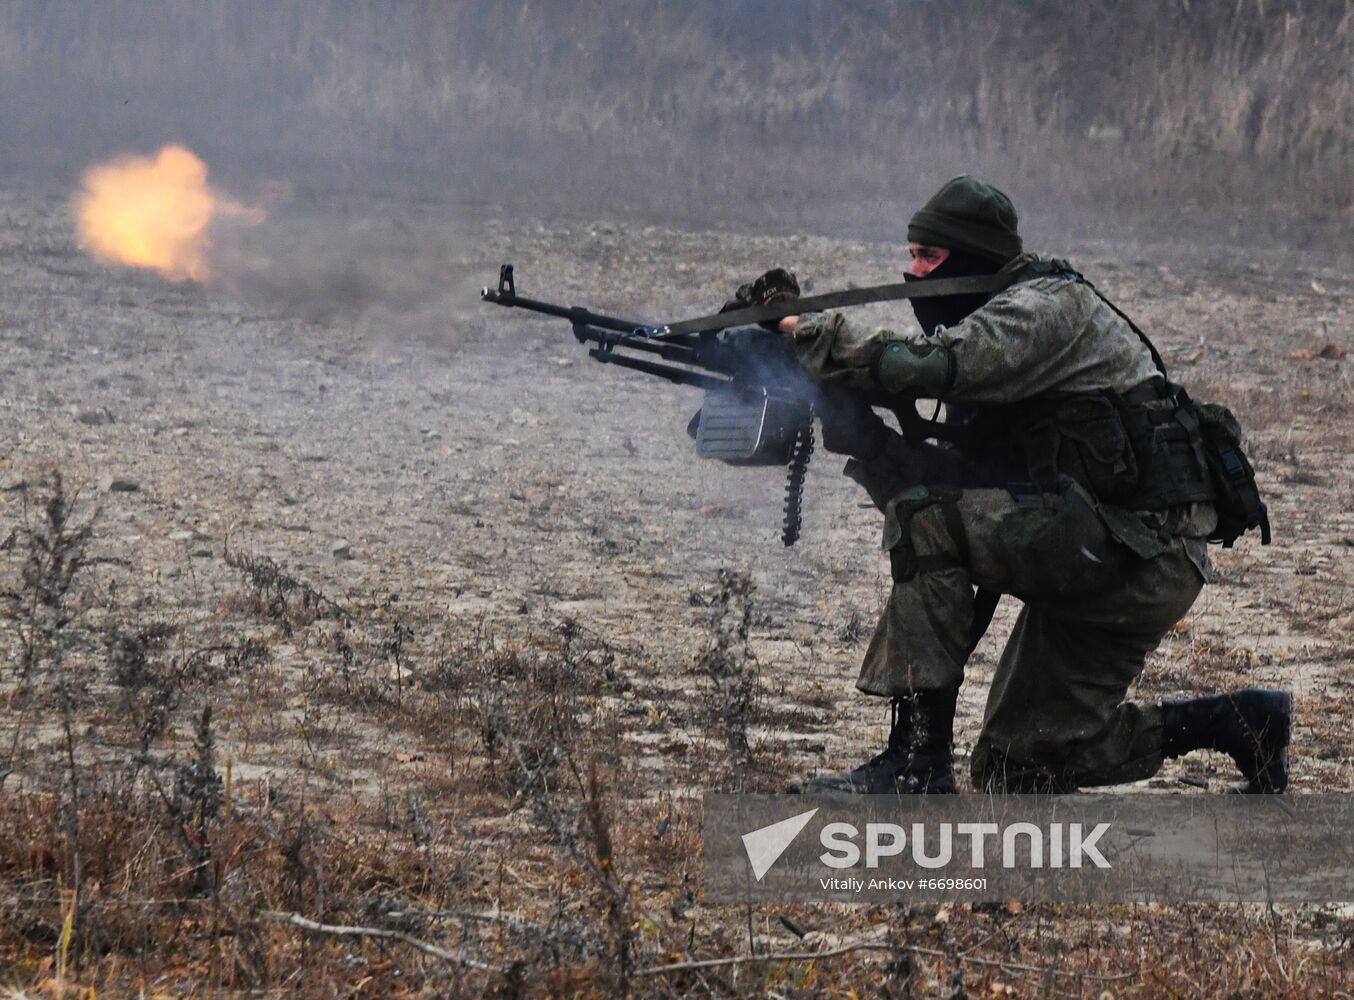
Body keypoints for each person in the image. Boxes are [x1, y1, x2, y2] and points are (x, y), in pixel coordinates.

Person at [757, 175, 1289, 794]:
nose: (914, 272)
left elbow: (930, 369)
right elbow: (964, 484)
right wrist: (866, 439)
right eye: (911, 255)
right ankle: (1240, 723)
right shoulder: (1001, 345)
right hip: (1107, 547)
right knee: (1021, 767)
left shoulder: (1038, 312)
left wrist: (805, 329)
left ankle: (914, 762)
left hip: (1141, 552)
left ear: (975, 256)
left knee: (927, 519)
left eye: (929, 258)